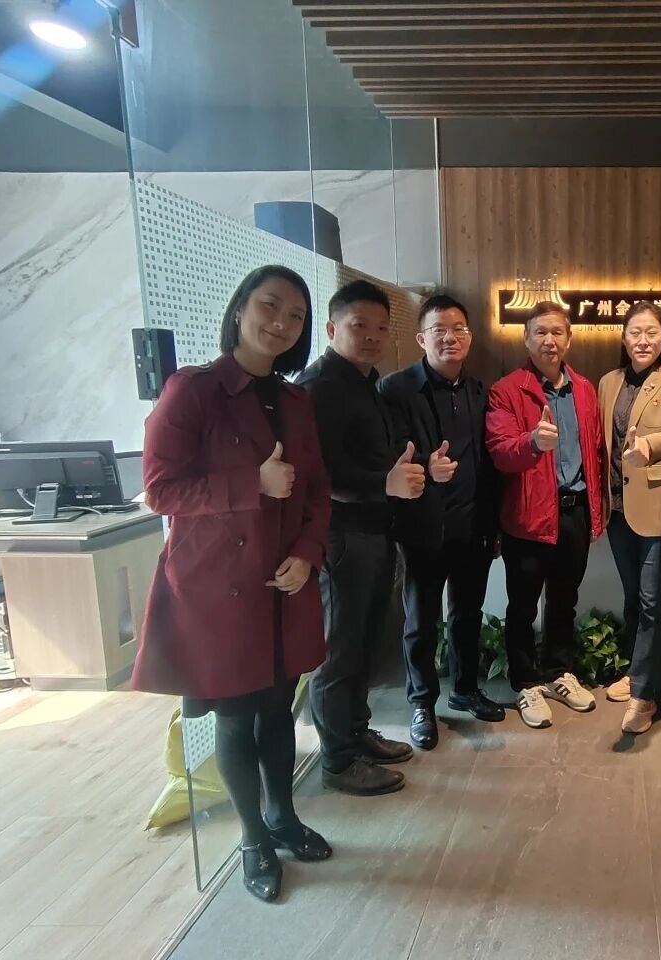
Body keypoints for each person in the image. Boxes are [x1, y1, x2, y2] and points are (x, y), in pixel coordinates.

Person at [132, 265, 332, 903]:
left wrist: (308, 554)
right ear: (240, 307)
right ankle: (252, 838)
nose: (281, 323)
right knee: (236, 715)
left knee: (277, 709)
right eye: (271, 305)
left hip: (282, 580)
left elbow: (317, 492)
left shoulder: (297, 401)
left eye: (296, 316)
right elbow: (160, 492)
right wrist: (253, 484)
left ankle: (283, 816)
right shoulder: (192, 391)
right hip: (218, 587)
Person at [297, 280, 423, 796]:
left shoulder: (365, 383)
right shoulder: (319, 386)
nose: (372, 336)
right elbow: (320, 473)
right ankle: (338, 760)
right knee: (339, 650)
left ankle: (356, 732)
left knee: (364, 642)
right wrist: (384, 483)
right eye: (359, 326)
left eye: (380, 328)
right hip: (343, 537)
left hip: (374, 530)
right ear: (332, 328)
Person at [379, 294, 504, 750]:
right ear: (421, 339)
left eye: (458, 330)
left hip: (473, 527)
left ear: (469, 338)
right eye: (439, 330)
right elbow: (387, 454)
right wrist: (426, 471)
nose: (449, 338)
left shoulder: (480, 392)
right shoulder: (395, 390)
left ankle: (465, 689)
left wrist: (493, 526)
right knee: (421, 622)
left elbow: (490, 463)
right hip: (422, 529)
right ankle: (421, 703)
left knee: (467, 616)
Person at [486, 301, 605, 729]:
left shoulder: (585, 389)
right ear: (526, 339)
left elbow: (595, 452)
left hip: (574, 513)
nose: (549, 340)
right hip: (527, 517)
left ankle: (559, 672)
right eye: (540, 332)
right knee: (521, 606)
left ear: (568, 339)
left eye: (557, 332)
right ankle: (525, 683)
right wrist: (533, 442)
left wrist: (597, 510)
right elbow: (500, 451)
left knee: (564, 601)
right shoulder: (507, 390)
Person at [597, 301, 661, 734]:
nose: (643, 340)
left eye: (651, 332)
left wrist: (647, 447)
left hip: (657, 508)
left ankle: (646, 693)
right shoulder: (608, 382)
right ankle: (638, 669)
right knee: (634, 596)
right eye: (635, 332)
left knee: (653, 599)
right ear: (623, 338)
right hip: (618, 507)